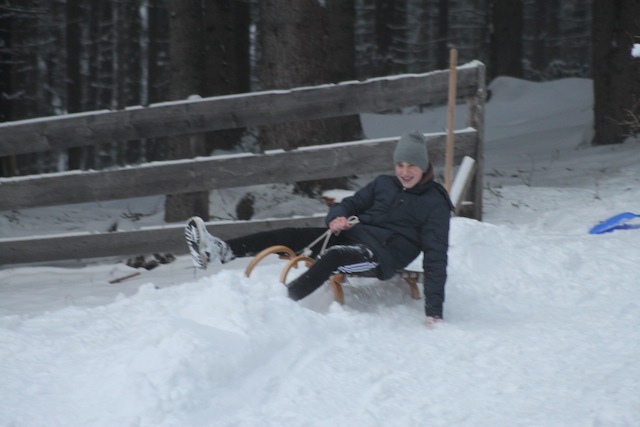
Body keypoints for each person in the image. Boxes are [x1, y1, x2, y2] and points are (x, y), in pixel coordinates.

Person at [185, 130, 453, 323]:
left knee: (333, 257)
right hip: (351, 235)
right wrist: (337, 217)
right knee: (291, 235)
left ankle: (282, 303)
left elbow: (436, 255)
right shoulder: (384, 184)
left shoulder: (435, 203)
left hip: (381, 255)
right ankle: (221, 250)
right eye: (400, 164)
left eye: (411, 166)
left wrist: (434, 310)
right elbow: (350, 204)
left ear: (423, 166)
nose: (404, 171)